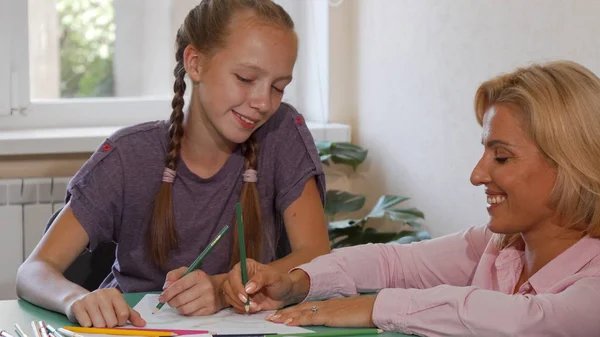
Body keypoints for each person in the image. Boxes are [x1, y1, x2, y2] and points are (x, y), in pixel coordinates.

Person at [16, 0, 331, 328]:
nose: (264, 102)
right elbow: (34, 270)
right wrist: (76, 298)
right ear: (195, 63)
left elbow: (317, 257)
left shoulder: (281, 133)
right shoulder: (128, 156)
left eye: (279, 87)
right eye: (246, 78)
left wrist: (223, 288)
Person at [226, 60, 600, 336]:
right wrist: (297, 282)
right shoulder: (495, 245)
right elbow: (393, 264)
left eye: (501, 157)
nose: (477, 175)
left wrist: (378, 306)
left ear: (571, 165)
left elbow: (529, 322)